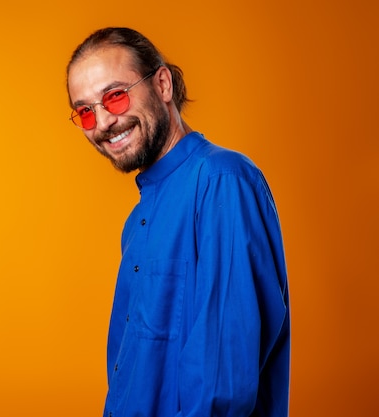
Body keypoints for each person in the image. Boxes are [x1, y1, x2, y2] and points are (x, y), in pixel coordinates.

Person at [66, 27, 290, 417]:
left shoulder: (222, 181)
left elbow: (226, 382)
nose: (102, 123)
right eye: (85, 111)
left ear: (163, 84)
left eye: (115, 97)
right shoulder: (136, 222)